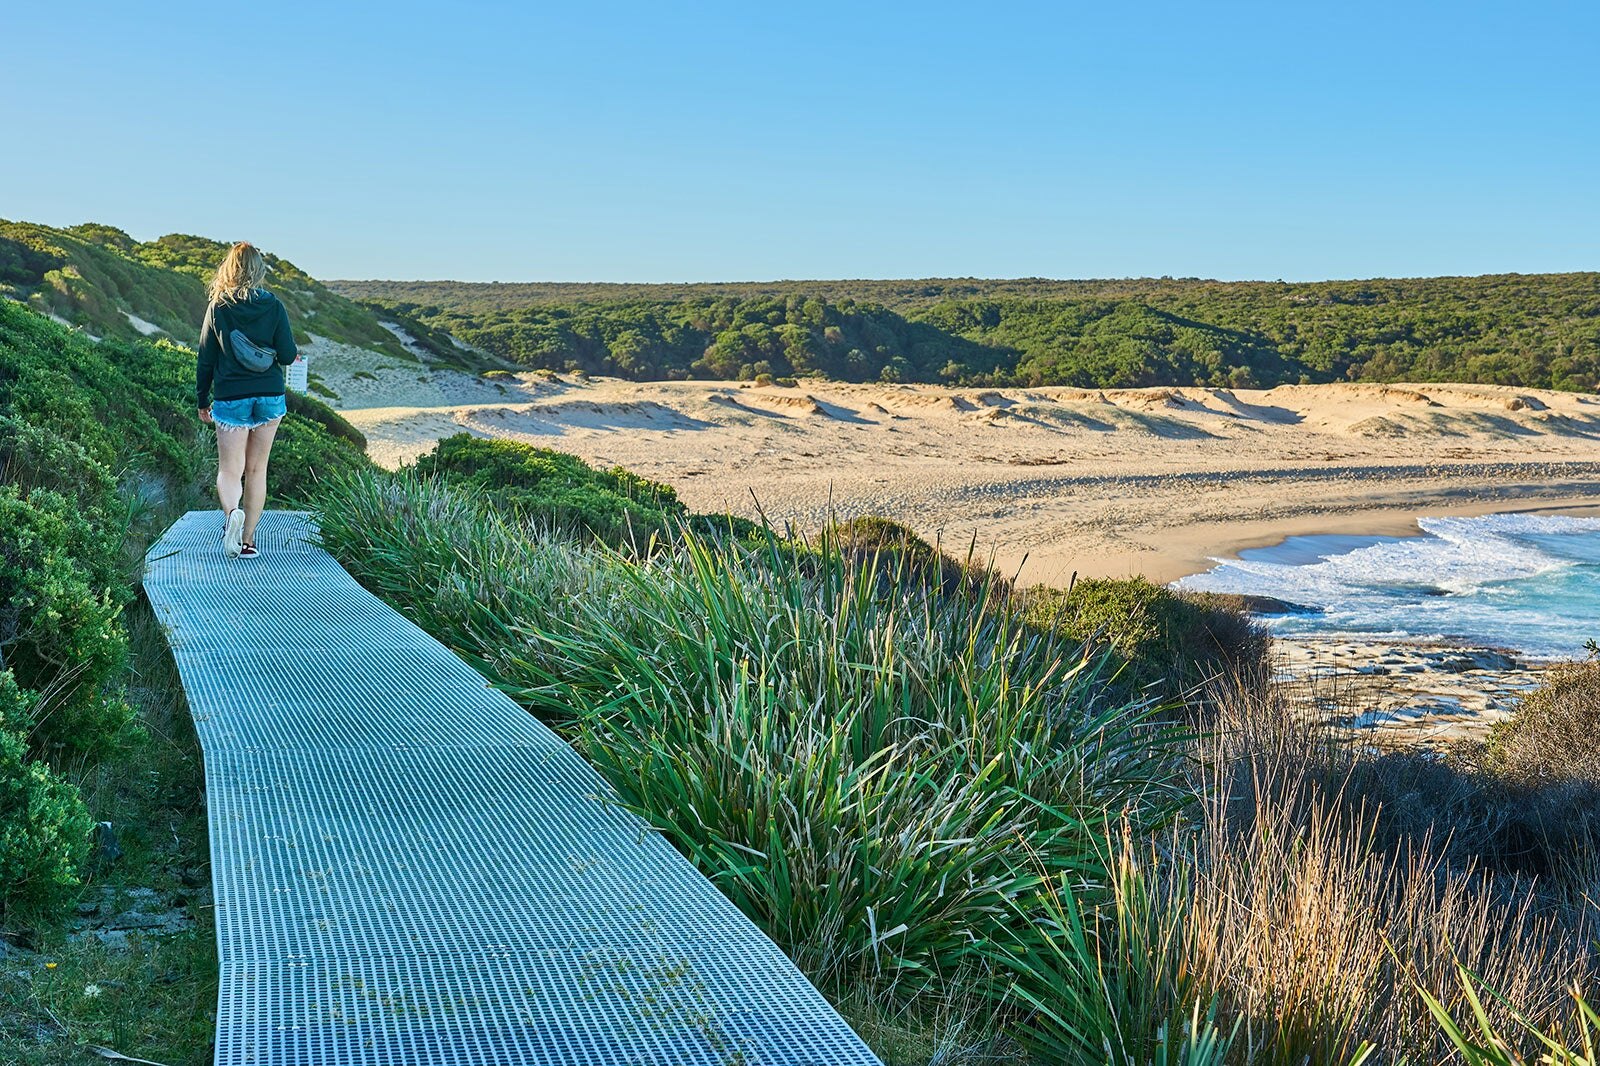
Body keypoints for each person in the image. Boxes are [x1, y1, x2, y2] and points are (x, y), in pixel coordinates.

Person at [196, 242, 302, 559]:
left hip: (231, 398)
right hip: (269, 396)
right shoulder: (274, 306)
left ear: (229, 269)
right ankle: (247, 541)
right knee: (257, 470)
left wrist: (203, 399)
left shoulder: (218, 307)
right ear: (259, 271)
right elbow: (285, 355)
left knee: (230, 471)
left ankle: (232, 516)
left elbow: (205, 358)